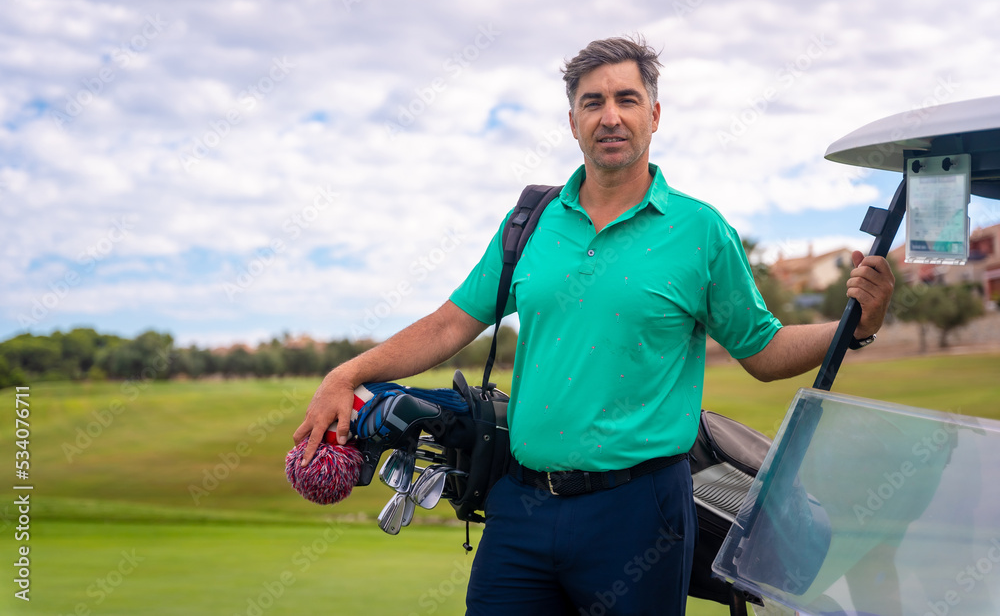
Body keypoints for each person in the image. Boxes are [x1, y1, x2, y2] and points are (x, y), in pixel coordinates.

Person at [294, 35, 895, 615]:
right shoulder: (530, 221)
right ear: (573, 120)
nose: (610, 116)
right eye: (593, 102)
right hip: (520, 504)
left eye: (626, 100)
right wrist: (344, 375)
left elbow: (764, 352)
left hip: (640, 514)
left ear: (654, 115)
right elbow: (451, 324)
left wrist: (854, 326)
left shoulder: (700, 232)